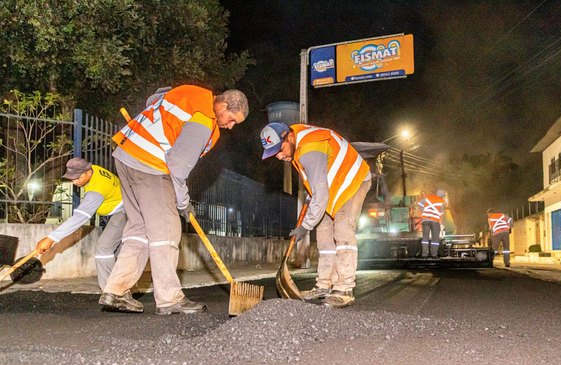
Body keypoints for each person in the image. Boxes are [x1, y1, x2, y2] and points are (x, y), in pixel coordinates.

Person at [99, 85, 248, 314]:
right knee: (166, 231)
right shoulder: (204, 118)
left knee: (139, 228)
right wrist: (183, 204)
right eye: (232, 119)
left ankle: (115, 290)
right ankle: (170, 299)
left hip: (125, 156)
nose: (230, 126)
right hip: (150, 164)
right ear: (224, 105)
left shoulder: (190, 92)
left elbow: (154, 97)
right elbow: (178, 168)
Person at [260, 122, 371, 308]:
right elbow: (317, 184)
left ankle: (344, 288)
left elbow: (320, 193)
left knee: (343, 228)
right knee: (323, 233)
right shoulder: (298, 145)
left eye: (280, 150)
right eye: (274, 154)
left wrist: (305, 226)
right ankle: (324, 285)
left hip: (353, 180)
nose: (279, 156)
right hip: (334, 187)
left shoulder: (309, 148)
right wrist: (312, 199)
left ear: (289, 137)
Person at [35, 157, 125, 291]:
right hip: (115, 212)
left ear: (88, 172)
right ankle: (122, 288)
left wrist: (51, 238)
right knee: (116, 254)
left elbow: (81, 217)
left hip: (124, 212)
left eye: (77, 178)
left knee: (103, 248)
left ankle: (111, 293)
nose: (74, 181)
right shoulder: (93, 169)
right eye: (71, 178)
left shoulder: (97, 189)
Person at [417, 189, 445, 258]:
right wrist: (440, 224)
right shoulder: (441, 202)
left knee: (425, 238)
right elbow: (441, 214)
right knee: (435, 238)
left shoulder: (428, 197)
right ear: (442, 196)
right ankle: (434, 254)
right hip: (435, 221)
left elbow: (419, 203)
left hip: (425, 220)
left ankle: (424, 254)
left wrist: (423, 211)